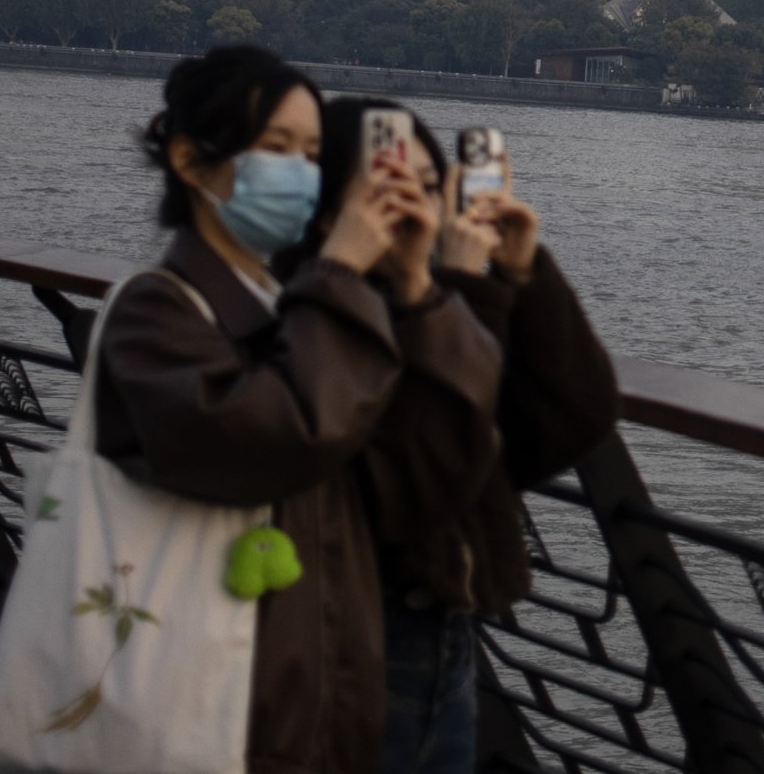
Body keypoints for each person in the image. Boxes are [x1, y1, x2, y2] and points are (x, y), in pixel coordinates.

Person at [93, 47, 497, 774]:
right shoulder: (156, 312)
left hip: (310, 679)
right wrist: (339, 272)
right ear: (189, 160)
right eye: (276, 148)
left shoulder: (284, 306)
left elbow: (445, 468)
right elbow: (279, 437)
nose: (300, 172)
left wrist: (421, 289)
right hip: (213, 687)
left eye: (312, 153)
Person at [288, 101, 619, 774]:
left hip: (444, 629)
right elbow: (437, 454)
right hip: (370, 626)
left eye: (429, 185)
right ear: (327, 210)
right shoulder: (317, 316)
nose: (414, 205)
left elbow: (570, 419)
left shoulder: (427, 298)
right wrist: (461, 292)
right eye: (388, 186)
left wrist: (525, 273)